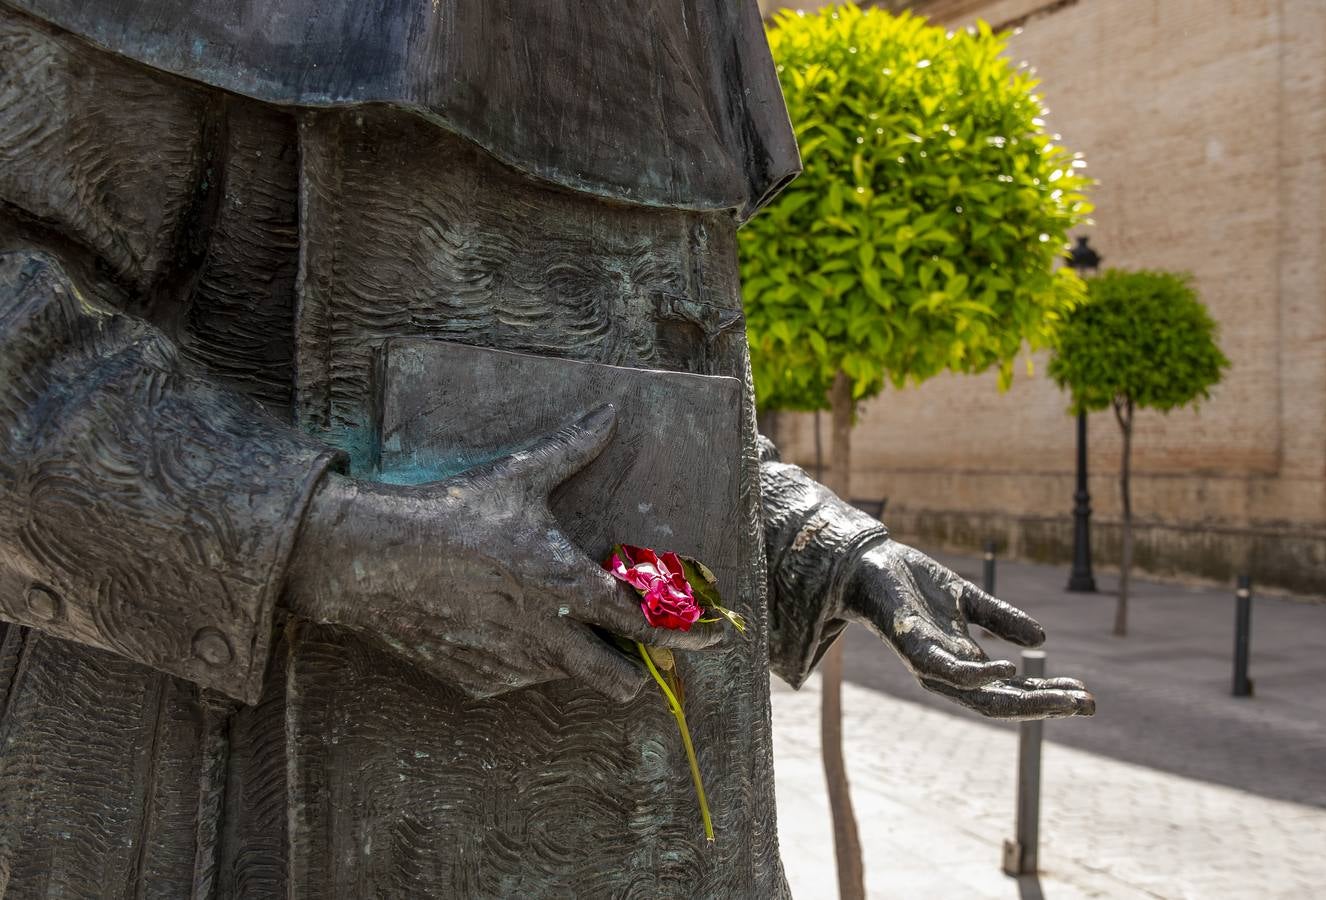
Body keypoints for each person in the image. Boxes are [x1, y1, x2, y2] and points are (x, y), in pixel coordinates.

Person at [0, 1, 1093, 895]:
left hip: (651, 839)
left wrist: (823, 548)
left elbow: (603, 395)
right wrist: (334, 542)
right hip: (251, 816)